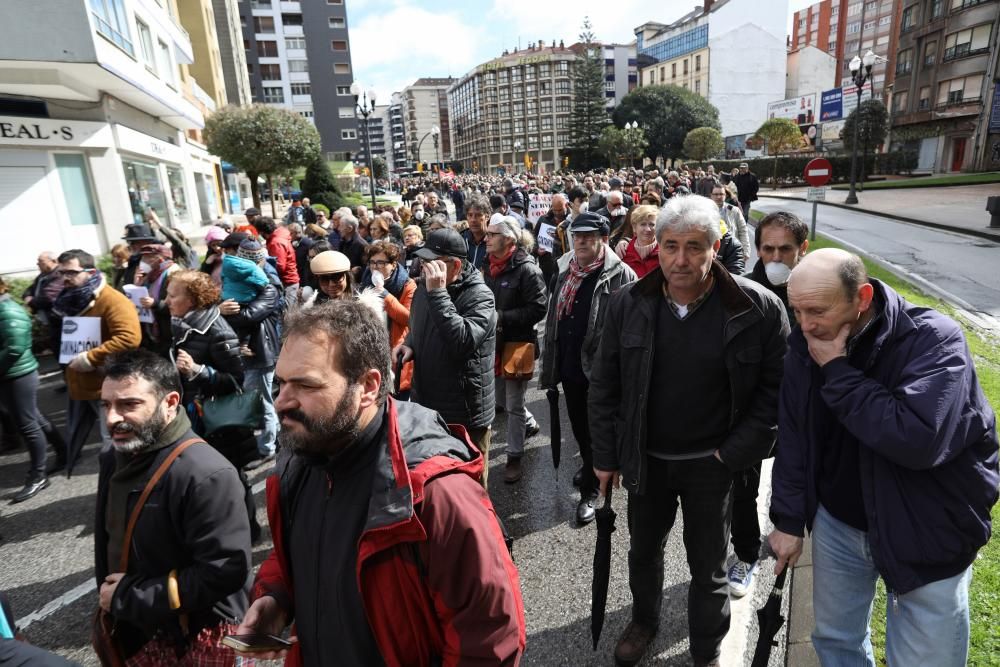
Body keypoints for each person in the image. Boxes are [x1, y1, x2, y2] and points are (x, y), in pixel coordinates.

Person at [234, 300, 525, 665]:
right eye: (281, 383)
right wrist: (274, 596)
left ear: (369, 386)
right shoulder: (304, 455)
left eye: (305, 385)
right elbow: (306, 544)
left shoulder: (437, 493)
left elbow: (487, 640)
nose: (280, 402)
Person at [768, 249, 999, 667]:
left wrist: (837, 370)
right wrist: (787, 518)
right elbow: (796, 432)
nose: (805, 325)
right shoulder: (807, 341)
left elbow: (915, 438)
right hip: (840, 523)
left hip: (926, 525)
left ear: (862, 297)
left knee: (927, 659)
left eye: (816, 310)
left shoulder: (934, 340)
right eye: (795, 310)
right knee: (835, 641)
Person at [588, 194, 789, 667]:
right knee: (643, 554)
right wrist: (604, 456)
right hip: (648, 461)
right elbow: (605, 384)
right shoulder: (627, 303)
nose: (682, 259)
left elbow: (776, 394)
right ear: (655, 246)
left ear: (716, 247)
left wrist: (732, 454)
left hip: (713, 466)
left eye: (695, 246)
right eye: (671, 245)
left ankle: (706, 647)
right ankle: (644, 620)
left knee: (709, 567)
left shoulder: (755, 308)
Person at [94, 350, 251, 663]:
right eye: (106, 405)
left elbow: (224, 571)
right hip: (138, 626)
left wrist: (129, 596)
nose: (112, 418)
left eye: (129, 404)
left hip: (192, 635)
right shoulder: (114, 458)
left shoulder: (207, 473)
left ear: (170, 403)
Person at [538, 213, 637, 524]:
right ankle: (592, 465)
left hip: (603, 370)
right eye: (576, 236)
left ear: (603, 239)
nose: (580, 241)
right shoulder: (565, 269)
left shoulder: (621, 275)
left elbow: (630, 329)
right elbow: (553, 319)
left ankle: (592, 491)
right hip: (571, 365)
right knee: (579, 424)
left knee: (599, 427)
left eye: (588, 236)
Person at [393, 229, 497, 486]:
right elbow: (419, 325)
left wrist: (438, 294)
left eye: (433, 262)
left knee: (471, 481)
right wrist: (410, 345)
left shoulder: (480, 296)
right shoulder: (423, 288)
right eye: (424, 261)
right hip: (428, 403)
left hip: (463, 410)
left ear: (456, 265)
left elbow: (462, 342)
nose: (425, 267)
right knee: (436, 477)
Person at [165, 270, 261, 541]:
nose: (167, 300)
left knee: (231, 476)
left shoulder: (217, 330)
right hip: (196, 415)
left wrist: (198, 371)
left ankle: (247, 531)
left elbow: (235, 381)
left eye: (173, 295)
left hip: (220, 420)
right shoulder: (184, 322)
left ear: (193, 300)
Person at [51, 249, 142, 474]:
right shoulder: (72, 299)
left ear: (90, 271)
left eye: (71, 272)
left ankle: (123, 482)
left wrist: (91, 357)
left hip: (106, 383)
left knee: (113, 438)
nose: (65, 278)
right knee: (104, 437)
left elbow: (129, 338)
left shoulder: (112, 300)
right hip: (84, 383)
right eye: (61, 273)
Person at [482, 216, 547, 484]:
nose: (486, 238)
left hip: (517, 345)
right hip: (491, 345)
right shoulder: (488, 264)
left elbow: (539, 307)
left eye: (491, 234)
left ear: (508, 239)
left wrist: (502, 317)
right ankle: (529, 426)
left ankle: (514, 456)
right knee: (501, 401)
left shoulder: (527, 269)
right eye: (486, 234)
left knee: (515, 405)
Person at [0, 278, 66, 502]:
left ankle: (38, 476)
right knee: (32, 417)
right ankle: (64, 452)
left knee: (27, 424)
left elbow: (15, 348)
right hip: (11, 374)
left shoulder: (7, 311)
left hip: (16, 375)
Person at [220, 250, 283, 468]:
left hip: (261, 353)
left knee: (263, 401)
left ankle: (268, 449)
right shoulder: (244, 284)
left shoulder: (268, 287)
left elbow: (248, 316)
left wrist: (223, 312)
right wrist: (220, 309)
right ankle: (273, 439)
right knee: (258, 401)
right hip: (249, 352)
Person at [360, 241, 416, 399]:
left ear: (393, 264)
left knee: (398, 401)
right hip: (373, 352)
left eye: (381, 263)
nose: (375, 267)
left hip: (396, 352)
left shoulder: (407, 285)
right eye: (372, 263)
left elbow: (408, 318)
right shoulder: (365, 283)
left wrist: (384, 294)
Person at [747, 210, 808, 323]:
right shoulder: (741, 289)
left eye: (785, 249)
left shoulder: (817, 292)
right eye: (768, 249)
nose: (776, 258)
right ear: (758, 249)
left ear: (803, 248)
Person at [134, 243, 178, 358]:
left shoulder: (173, 273)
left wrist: (155, 304)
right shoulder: (150, 275)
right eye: (143, 258)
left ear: (160, 259)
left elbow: (178, 306)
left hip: (169, 332)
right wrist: (137, 285)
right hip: (152, 333)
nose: (143, 261)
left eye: (148, 257)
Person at [257, 216, 301, 306]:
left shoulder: (276, 242)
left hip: (288, 282)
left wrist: (263, 264)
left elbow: (279, 266)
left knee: (287, 313)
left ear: (262, 232)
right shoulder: (278, 236)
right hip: (289, 281)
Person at [533, 193, 571, 288]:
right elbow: (533, 238)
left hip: (566, 268)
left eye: (560, 210)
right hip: (547, 268)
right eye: (554, 210)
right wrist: (537, 249)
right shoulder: (543, 219)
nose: (557, 213)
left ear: (566, 205)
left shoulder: (572, 220)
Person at [614, 205, 660, 278]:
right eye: (643, 224)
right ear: (634, 227)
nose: (648, 229)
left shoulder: (664, 252)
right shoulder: (623, 252)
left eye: (652, 224)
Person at [710, 185, 750, 264]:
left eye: (721, 194)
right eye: (716, 194)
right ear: (711, 195)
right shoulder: (704, 211)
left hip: (731, 252)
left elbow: (743, 231)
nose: (718, 197)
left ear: (725, 195)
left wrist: (745, 251)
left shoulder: (735, 211)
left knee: (734, 275)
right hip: (712, 253)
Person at [461, 193, 490, 270]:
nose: (473, 220)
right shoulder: (461, 240)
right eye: (470, 215)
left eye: (478, 215)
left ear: (487, 216)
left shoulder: (493, 241)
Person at [337, 213, 369, 279]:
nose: (339, 229)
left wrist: (359, 271)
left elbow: (368, 269)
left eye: (341, 226)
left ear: (349, 229)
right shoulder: (342, 242)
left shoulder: (362, 245)